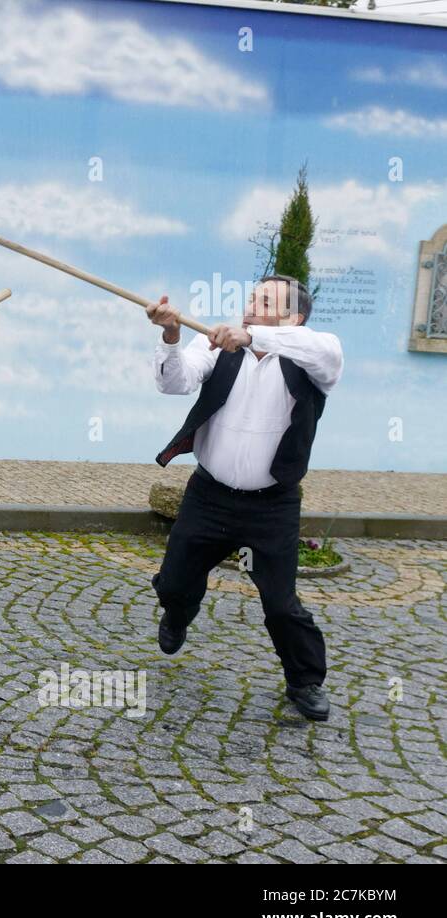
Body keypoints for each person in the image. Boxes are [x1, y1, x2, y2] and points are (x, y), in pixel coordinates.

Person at [147, 275, 343, 721]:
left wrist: (253, 335)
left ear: (293, 317)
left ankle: (305, 680)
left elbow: (326, 351)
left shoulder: (316, 356)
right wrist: (172, 336)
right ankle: (178, 614)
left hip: (271, 507)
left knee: (280, 603)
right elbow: (174, 384)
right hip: (208, 496)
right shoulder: (216, 345)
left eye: (265, 301)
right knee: (174, 582)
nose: (251, 305)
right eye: (252, 298)